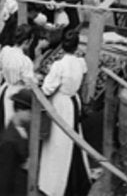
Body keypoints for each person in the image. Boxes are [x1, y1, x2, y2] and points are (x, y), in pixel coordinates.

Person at [38, 30, 92, 196]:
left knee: (57, 143)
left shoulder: (58, 66)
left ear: (62, 46)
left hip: (61, 104)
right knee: (73, 139)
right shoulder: (81, 62)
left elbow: (47, 89)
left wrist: (40, 83)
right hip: (73, 102)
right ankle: (75, 176)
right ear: (76, 47)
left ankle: (54, 184)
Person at [0, 24, 36, 169]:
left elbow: (0, 67)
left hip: (4, 89)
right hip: (16, 91)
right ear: (27, 42)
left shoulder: (5, 51)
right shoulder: (25, 61)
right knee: (12, 123)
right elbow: (30, 82)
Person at [0, 87, 34, 196]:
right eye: (29, 111)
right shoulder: (9, 141)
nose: (31, 114)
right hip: (14, 188)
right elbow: (5, 175)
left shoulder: (25, 126)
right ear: (19, 111)